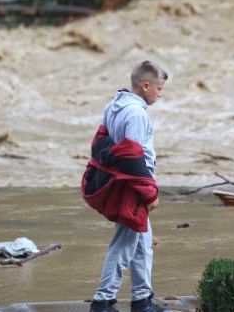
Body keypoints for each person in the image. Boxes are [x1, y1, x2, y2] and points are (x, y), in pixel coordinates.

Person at [82, 61, 170, 312]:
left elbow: (102, 144)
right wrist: (150, 192)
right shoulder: (137, 114)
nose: (160, 94)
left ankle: (142, 299)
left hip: (123, 182)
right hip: (131, 186)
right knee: (124, 243)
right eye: (159, 89)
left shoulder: (113, 106)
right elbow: (132, 157)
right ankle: (103, 301)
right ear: (145, 86)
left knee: (143, 241)